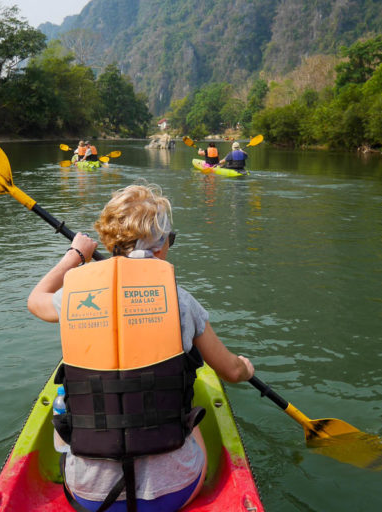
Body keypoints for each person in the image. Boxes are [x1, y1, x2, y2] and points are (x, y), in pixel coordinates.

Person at [28, 183, 254, 512]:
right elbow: (232, 371)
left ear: (109, 241)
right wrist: (248, 367)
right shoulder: (180, 301)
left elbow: (35, 301)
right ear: (160, 246)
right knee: (192, 416)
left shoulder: (75, 297)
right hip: (173, 494)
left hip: (90, 497)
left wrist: (76, 256)